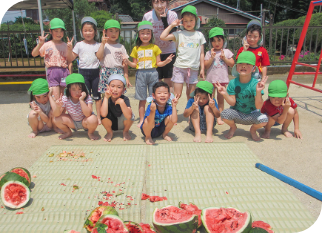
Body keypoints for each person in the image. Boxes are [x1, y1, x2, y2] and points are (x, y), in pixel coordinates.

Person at [123, 21, 174, 127]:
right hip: (140, 74)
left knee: (153, 98)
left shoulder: (155, 48)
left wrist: (166, 62)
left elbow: (159, 63)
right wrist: (127, 62)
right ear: (138, 35)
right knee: (142, 99)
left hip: (153, 73)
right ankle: (142, 119)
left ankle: (154, 118)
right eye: (142, 33)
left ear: (151, 34)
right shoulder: (136, 48)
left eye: (148, 33)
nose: (145, 35)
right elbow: (134, 64)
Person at [215, 51, 268, 141]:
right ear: (236, 67)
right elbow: (232, 102)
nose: (243, 66)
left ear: (254, 68)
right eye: (240, 64)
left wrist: (258, 92)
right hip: (237, 114)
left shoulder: (256, 84)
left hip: (252, 114)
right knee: (224, 114)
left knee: (264, 120)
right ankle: (233, 127)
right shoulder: (233, 83)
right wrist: (225, 94)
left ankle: (253, 129)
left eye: (248, 64)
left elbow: (259, 106)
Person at [160, 5, 206, 101]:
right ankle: (172, 112)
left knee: (191, 95)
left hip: (193, 68)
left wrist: (202, 69)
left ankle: (190, 115)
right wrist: (172, 25)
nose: (188, 23)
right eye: (185, 20)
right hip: (179, 68)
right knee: (177, 94)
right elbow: (162, 37)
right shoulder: (179, 34)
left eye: (191, 20)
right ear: (182, 21)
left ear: (196, 20)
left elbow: (202, 53)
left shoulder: (199, 35)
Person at [67, 17, 102, 125]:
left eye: (90, 30)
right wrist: (69, 48)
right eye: (85, 30)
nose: (88, 33)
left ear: (95, 31)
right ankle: (86, 115)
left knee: (97, 96)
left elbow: (101, 57)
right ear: (82, 32)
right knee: (84, 96)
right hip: (83, 74)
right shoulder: (79, 45)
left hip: (95, 73)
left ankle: (99, 117)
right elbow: (71, 58)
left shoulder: (98, 45)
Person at [142, 0, 178, 92]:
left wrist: (165, 20)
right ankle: (156, 104)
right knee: (155, 81)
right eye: (156, 3)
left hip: (169, 51)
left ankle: (169, 104)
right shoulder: (148, 16)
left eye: (162, 2)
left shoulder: (172, 15)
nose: (159, 6)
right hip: (154, 52)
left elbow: (172, 36)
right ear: (152, 4)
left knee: (168, 82)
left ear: (167, 3)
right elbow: (144, 34)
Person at [50, 73, 99, 140]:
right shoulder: (65, 98)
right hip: (72, 121)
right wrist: (58, 107)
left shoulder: (87, 97)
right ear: (68, 89)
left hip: (84, 121)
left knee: (93, 119)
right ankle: (68, 132)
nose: (77, 92)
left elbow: (88, 114)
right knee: (56, 119)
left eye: (79, 89)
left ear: (83, 89)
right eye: (73, 89)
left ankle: (90, 133)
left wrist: (81, 100)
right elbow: (56, 114)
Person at [32, 18, 70, 101]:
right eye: (56, 31)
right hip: (52, 71)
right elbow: (34, 54)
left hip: (64, 71)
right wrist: (40, 44)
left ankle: (62, 113)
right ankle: (56, 112)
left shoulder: (65, 45)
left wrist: (70, 49)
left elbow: (70, 59)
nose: (59, 33)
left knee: (64, 96)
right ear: (50, 31)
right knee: (55, 95)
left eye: (61, 31)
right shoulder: (47, 45)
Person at [204, 27, 234, 125]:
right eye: (214, 41)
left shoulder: (227, 51)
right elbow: (206, 66)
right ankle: (211, 115)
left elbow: (232, 64)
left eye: (219, 40)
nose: (216, 43)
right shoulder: (209, 53)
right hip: (210, 80)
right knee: (210, 98)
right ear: (210, 42)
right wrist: (212, 57)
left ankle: (219, 116)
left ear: (223, 40)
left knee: (221, 99)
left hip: (222, 79)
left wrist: (224, 58)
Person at [96, 19, 131, 94]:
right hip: (105, 72)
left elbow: (125, 63)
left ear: (119, 32)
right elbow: (99, 57)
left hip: (118, 71)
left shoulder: (121, 46)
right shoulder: (102, 45)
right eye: (111, 31)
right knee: (106, 94)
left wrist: (126, 76)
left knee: (118, 93)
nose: (114, 33)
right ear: (105, 32)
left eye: (116, 31)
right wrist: (103, 43)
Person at [101, 74, 135, 142]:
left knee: (131, 114)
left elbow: (129, 116)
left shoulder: (125, 99)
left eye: (119, 87)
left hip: (122, 124)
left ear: (123, 90)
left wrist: (122, 103)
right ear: (108, 87)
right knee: (102, 115)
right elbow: (103, 115)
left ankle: (125, 131)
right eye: (112, 86)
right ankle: (109, 132)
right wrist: (106, 97)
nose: (115, 90)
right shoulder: (106, 99)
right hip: (111, 124)